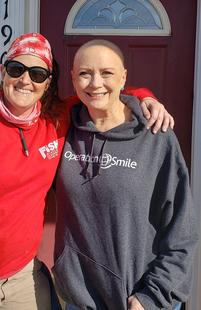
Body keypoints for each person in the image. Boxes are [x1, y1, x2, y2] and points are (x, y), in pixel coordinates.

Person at [0, 33, 172, 310]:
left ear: (48, 83)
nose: (26, 80)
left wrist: (145, 98)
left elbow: (103, 93)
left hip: (24, 279)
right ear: (3, 71)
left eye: (37, 74)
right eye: (17, 69)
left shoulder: (57, 119)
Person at [51, 39, 198, 310]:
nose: (96, 83)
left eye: (107, 73)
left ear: (123, 78)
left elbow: (182, 228)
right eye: (85, 73)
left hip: (143, 299)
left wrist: (153, 296)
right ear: (73, 79)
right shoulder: (61, 130)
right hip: (79, 299)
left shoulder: (155, 135)